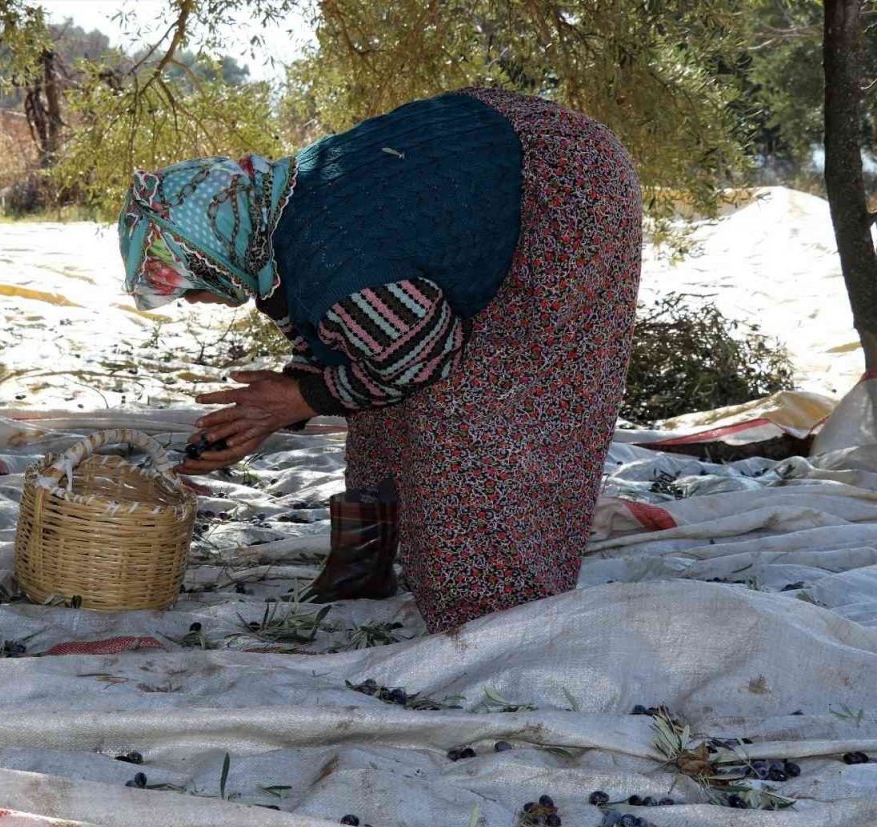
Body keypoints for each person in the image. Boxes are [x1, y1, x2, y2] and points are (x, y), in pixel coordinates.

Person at [116, 88, 642, 633]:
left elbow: (420, 357)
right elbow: (352, 339)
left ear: (213, 256)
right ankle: (365, 564)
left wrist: (299, 398)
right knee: (386, 391)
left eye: (192, 288)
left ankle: (497, 619)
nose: (196, 302)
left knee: (478, 409)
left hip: (564, 188)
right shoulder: (279, 211)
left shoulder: (335, 260)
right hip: (510, 144)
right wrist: (278, 406)